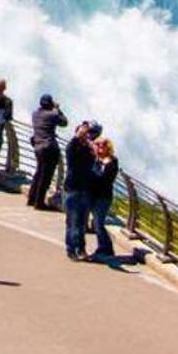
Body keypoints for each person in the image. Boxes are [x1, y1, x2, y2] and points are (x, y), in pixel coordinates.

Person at [62, 121, 98, 260]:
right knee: (72, 221)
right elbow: (73, 145)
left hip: (85, 189)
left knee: (82, 223)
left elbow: (96, 158)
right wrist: (79, 135)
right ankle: (71, 249)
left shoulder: (89, 150)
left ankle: (81, 248)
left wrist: (90, 143)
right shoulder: (72, 148)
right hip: (72, 189)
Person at [27, 93, 67, 209]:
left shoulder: (35, 114)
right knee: (46, 177)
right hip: (49, 148)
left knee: (39, 173)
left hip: (38, 146)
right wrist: (58, 109)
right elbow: (64, 122)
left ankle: (31, 198)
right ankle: (39, 203)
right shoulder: (52, 115)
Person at [87, 137, 118, 261]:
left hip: (103, 197)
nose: (99, 148)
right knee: (96, 222)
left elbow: (104, 179)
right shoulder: (95, 160)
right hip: (94, 195)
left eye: (102, 145)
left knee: (99, 223)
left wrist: (100, 167)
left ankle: (106, 248)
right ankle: (103, 247)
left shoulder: (112, 162)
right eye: (97, 145)